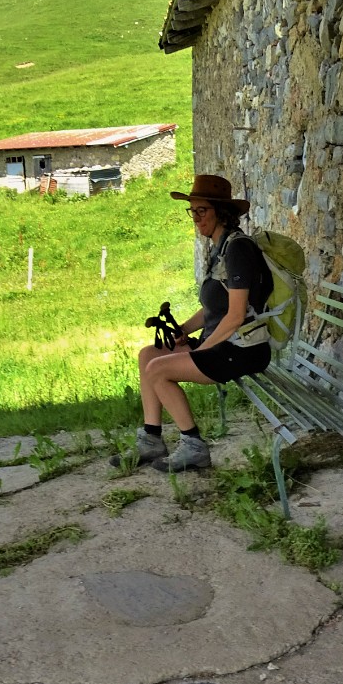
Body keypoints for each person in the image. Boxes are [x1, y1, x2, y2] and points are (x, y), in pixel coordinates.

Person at [113, 174, 273, 472]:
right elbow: (213, 307)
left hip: (243, 348)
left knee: (158, 370)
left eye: (202, 211)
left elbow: (236, 315)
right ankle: (151, 440)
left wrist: (200, 352)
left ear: (221, 212)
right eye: (193, 211)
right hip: (224, 343)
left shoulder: (238, 249)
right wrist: (185, 332)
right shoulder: (220, 247)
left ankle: (194, 446)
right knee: (149, 355)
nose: (196, 218)